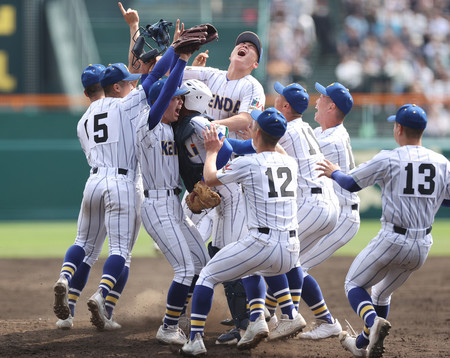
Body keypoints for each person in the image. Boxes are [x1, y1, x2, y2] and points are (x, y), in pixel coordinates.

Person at [317, 104, 450, 358]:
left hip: (392, 240)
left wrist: (334, 172)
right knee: (381, 293)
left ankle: (370, 322)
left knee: (354, 284)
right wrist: (430, 199)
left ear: (398, 129)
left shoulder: (389, 157)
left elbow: (350, 184)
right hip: (422, 246)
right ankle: (364, 344)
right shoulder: (441, 161)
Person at [181, 108, 305, 356]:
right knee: (253, 268)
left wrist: (213, 151)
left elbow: (210, 177)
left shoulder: (247, 163)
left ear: (256, 132)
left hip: (262, 242)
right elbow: (274, 148)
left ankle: (195, 339)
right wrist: (261, 137)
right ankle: (271, 316)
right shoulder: (290, 162)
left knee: (207, 276)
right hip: (291, 251)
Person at [183, 30, 265, 344]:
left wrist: (215, 125)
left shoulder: (251, 85)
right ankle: (245, 316)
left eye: (252, 48)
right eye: (241, 43)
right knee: (207, 244)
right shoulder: (212, 76)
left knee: (231, 249)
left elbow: (247, 118)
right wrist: (183, 53)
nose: (245, 46)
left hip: (235, 173)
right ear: (231, 53)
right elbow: (169, 69)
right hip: (209, 171)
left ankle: (251, 320)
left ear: (255, 63)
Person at [135, 47, 210, 346]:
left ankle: (177, 317)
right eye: (175, 97)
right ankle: (167, 327)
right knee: (185, 269)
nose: (179, 101)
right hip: (155, 205)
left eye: (180, 97)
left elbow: (190, 101)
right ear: (161, 100)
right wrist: (180, 59)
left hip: (173, 205)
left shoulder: (170, 126)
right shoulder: (147, 124)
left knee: (203, 264)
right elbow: (164, 89)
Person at [263, 82, 339, 331]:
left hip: (310, 202)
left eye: (278, 95)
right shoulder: (304, 126)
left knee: (276, 254)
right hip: (326, 204)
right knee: (293, 261)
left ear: (285, 105)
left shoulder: (283, 128)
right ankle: (281, 315)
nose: (274, 98)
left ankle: (284, 316)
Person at [297, 81, 359, 340]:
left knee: (293, 265)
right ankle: (277, 314)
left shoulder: (331, 140)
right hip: (333, 211)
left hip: (342, 216)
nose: (316, 100)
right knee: (287, 262)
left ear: (331, 105)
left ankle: (325, 322)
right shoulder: (326, 134)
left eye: (321, 97)